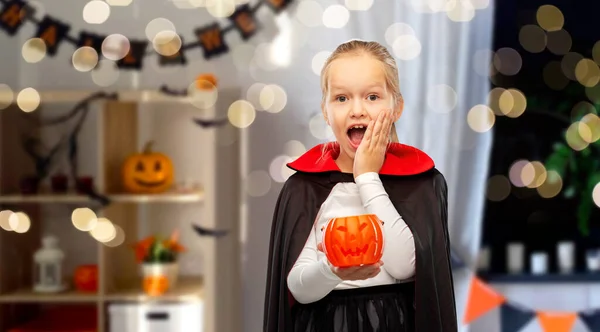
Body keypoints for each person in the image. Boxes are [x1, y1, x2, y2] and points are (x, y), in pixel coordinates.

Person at [263, 40, 457, 332]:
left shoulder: (423, 183)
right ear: (326, 111)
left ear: (397, 107)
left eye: (372, 97)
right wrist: (331, 271)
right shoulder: (304, 187)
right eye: (341, 99)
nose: (357, 110)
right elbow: (298, 288)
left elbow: (405, 266)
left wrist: (366, 176)